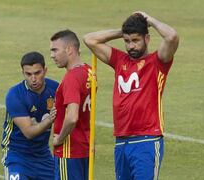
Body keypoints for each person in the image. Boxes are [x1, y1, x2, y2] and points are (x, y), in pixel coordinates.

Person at [84, 11, 179, 180]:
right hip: (121, 141)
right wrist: (122, 31)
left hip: (147, 140)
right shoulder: (120, 60)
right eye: (127, 41)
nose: (130, 46)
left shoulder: (157, 62)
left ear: (147, 39)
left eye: (135, 40)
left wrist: (149, 20)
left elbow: (171, 37)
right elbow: (90, 39)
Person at [1, 51, 59, 180]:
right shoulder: (15, 95)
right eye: (28, 74)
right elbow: (29, 132)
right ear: (23, 73)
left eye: (37, 73)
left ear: (45, 70)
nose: (33, 78)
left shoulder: (56, 89)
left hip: (43, 154)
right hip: (16, 155)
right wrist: (50, 119)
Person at [50, 29, 92, 180]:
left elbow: (72, 117)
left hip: (69, 150)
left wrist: (59, 139)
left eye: (55, 50)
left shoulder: (71, 78)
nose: (52, 55)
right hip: (85, 147)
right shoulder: (89, 71)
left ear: (69, 49)